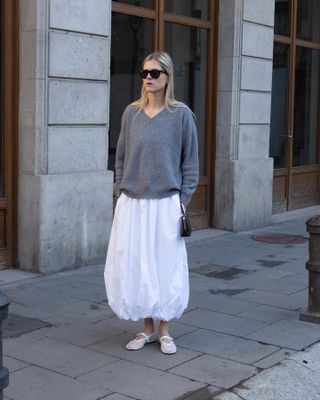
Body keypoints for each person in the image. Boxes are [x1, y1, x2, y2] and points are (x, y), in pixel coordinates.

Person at [104, 51, 199, 355]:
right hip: (133, 202)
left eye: (155, 73)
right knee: (138, 264)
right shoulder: (131, 113)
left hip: (165, 203)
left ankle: (165, 330)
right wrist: (120, 191)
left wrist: (182, 201)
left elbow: (190, 163)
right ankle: (146, 328)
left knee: (166, 265)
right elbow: (120, 156)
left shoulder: (181, 115)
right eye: (144, 72)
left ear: (167, 77)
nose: (148, 78)